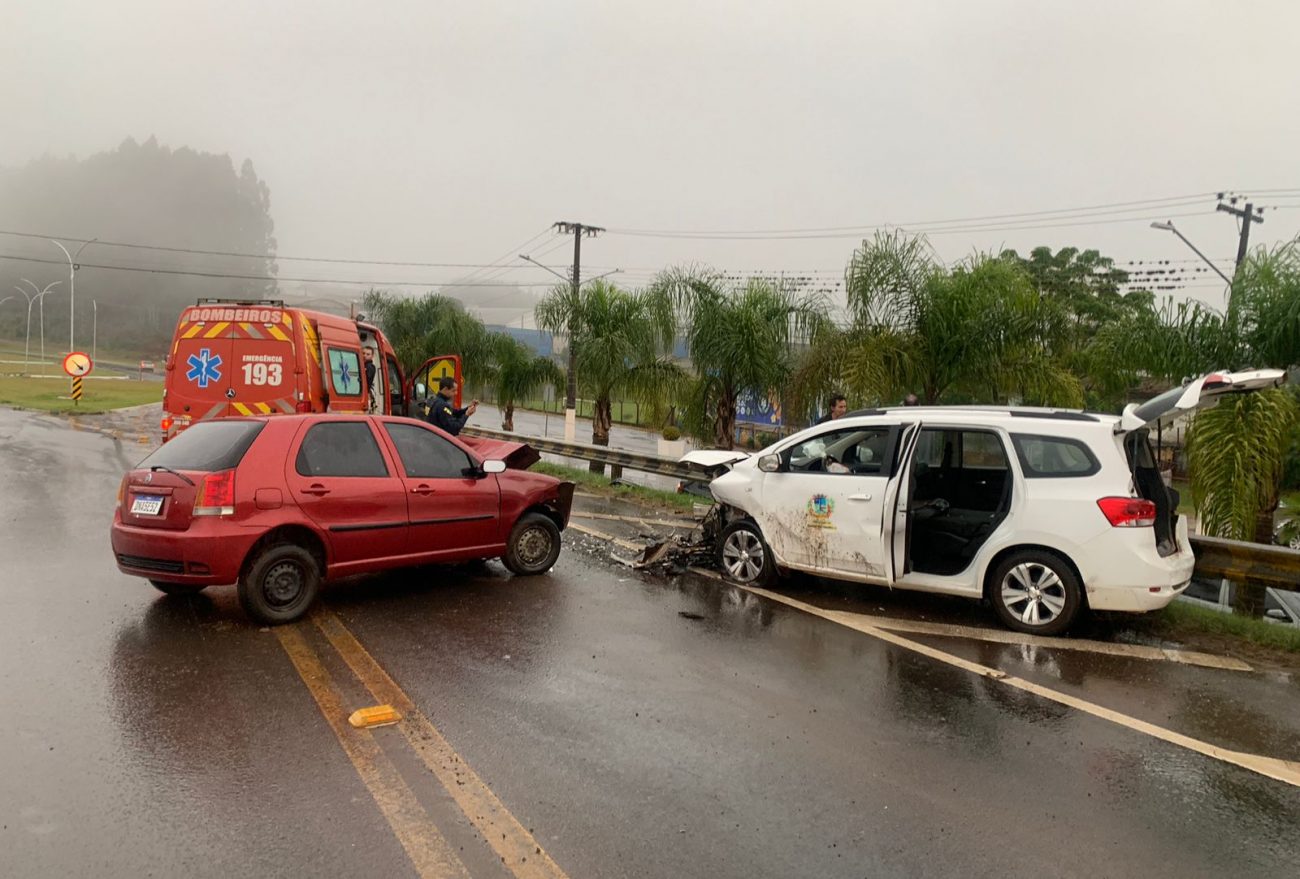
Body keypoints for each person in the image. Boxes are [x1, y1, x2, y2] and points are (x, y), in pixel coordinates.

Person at [362, 348, 378, 414]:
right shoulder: (363, 365)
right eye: (363, 353)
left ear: (372, 356)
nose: (365, 355)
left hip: (365, 396)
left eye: (368, 354)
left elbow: (366, 379)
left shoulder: (370, 367)